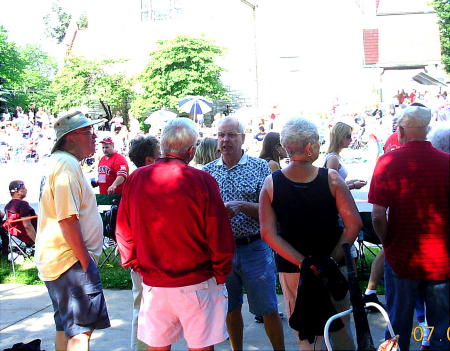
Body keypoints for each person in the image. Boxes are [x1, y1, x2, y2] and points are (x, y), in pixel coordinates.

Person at [115, 118, 234, 351]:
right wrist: (220, 273)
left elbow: (123, 229)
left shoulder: (137, 179)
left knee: (157, 346)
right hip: (197, 281)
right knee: (200, 347)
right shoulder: (202, 181)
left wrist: (134, 263)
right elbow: (219, 234)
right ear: (191, 151)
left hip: (155, 281)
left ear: (163, 146)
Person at [259, 117, 360, 351]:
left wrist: (304, 263)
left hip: (293, 269)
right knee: (341, 328)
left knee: (306, 332)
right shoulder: (331, 179)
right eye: (316, 141)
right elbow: (353, 224)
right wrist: (331, 260)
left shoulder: (271, 183)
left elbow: (268, 233)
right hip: (332, 266)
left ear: (286, 146)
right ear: (309, 146)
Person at [369, 105, 449, 351]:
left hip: (402, 255)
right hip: (441, 258)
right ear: (427, 130)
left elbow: (377, 216)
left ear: (401, 130)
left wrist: (387, 241)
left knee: (396, 324)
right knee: (441, 326)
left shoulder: (388, 162)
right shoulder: (447, 162)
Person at [204, 116, 285, 351]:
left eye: (231, 135)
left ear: (243, 138)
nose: (225, 140)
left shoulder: (261, 168)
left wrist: (242, 206)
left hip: (255, 248)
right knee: (230, 308)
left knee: (267, 307)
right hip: (223, 249)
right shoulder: (207, 173)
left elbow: (273, 212)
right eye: (221, 135)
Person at [34, 111, 110, 351]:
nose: (94, 137)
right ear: (72, 137)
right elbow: (67, 219)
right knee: (80, 333)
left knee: (66, 329)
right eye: (88, 132)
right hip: (71, 262)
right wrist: (85, 261)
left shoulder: (60, 162)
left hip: (60, 261)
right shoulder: (66, 166)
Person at [126, 135, 161, 351]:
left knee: (142, 306)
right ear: (149, 160)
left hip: (139, 256)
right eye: (159, 156)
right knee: (146, 309)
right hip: (147, 257)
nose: (163, 159)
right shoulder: (146, 180)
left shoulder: (134, 179)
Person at [324, 122, 366, 190]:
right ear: (340, 137)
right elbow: (332, 187)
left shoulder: (335, 156)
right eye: (348, 136)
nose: (351, 139)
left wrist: (352, 182)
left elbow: (339, 183)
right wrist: (353, 185)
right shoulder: (333, 159)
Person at [4, 180, 37, 246]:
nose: (26, 190)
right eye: (23, 188)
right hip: (33, 235)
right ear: (17, 192)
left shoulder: (7, 206)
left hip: (21, 235)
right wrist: (37, 243)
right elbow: (27, 226)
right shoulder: (23, 204)